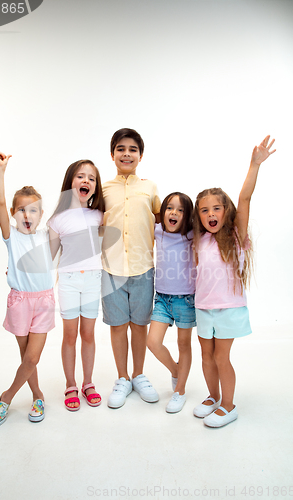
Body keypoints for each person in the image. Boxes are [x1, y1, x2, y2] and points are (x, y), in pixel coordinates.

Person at [192, 135, 276, 427]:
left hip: (228, 308)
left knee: (220, 357)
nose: (211, 213)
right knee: (206, 356)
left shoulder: (236, 236)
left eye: (216, 208)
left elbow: (245, 198)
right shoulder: (199, 240)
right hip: (203, 307)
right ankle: (214, 396)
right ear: (199, 216)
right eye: (204, 210)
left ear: (225, 211)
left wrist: (254, 165)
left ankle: (229, 405)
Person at [0, 153, 55, 427]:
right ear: (14, 214)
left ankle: (6, 397)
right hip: (19, 302)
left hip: (44, 302)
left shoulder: (47, 236)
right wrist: (2, 170)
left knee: (33, 357)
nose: (26, 214)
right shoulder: (11, 237)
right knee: (26, 358)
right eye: (21, 210)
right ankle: (38, 395)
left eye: (33, 210)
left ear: (41, 215)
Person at [101, 128, 161, 409]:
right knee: (117, 326)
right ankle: (122, 377)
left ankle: (138, 374)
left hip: (142, 268)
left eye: (133, 149)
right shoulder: (103, 189)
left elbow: (165, 221)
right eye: (121, 149)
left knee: (139, 326)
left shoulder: (149, 187)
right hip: (111, 269)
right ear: (112, 154)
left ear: (140, 155)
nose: (127, 154)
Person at [48, 160, 105, 411]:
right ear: (70, 181)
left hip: (93, 280)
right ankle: (71, 384)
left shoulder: (100, 216)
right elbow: (46, 257)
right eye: (80, 177)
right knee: (70, 335)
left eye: (91, 178)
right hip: (69, 282)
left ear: (95, 187)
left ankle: (88, 383)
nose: (86, 181)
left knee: (89, 335)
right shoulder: (57, 220)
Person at [147, 192, 196, 413]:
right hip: (162, 298)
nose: (174, 213)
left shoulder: (192, 235)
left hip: (185, 299)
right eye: (169, 208)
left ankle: (181, 391)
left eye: (180, 209)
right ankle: (176, 371)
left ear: (187, 216)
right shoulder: (158, 231)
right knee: (153, 342)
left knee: (183, 345)